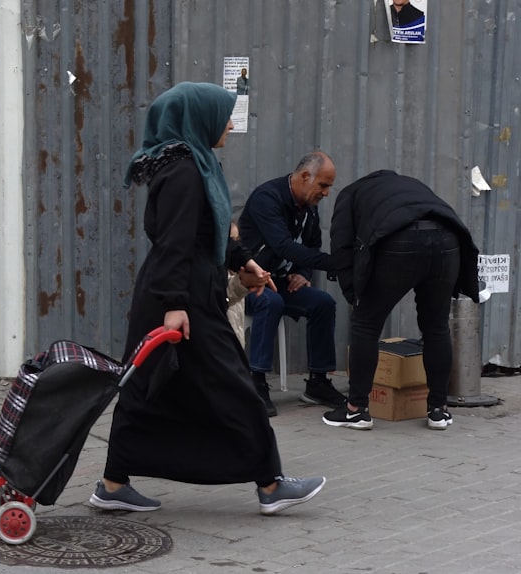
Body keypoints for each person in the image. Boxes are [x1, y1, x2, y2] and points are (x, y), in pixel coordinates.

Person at [89, 82, 325, 516]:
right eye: (224, 116)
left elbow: (209, 233)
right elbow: (174, 243)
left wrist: (243, 262)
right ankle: (271, 485)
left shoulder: (197, 164)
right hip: (183, 298)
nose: (231, 124)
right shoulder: (183, 171)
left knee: (147, 389)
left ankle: (112, 483)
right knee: (233, 384)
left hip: (181, 291)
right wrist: (176, 305)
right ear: (199, 120)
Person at [323, 170, 480, 431]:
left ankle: (356, 410)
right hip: (448, 240)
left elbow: (341, 248)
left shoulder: (350, 194)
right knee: (436, 326)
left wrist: (354, 295)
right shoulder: (411, 184)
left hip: (399, 242)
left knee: (366, 325)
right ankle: (439, 410)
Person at [239, 152, 347, 416]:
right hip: (244, 281)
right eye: (323, 185)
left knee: (323, 303)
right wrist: (335, 263)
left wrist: (304, 272)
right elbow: (283, 246)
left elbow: (311, 245)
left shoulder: (308, 207)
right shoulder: (268, 198)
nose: (326, 193)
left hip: (276, 279)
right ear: (304, 177)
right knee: (270, 301)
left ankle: (318, 382)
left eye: (329, 186)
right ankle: (256, 382)